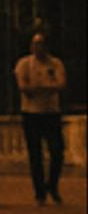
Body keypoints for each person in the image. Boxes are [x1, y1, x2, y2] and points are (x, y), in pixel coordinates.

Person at [14, 25, 68, 204]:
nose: (38, 48)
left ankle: (52, 184)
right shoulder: (24, 64)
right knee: (35, 154)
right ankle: (40, 193)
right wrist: (46, 88)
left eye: (41, 44)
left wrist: (38, 88)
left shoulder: (56, 64)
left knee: (57, 152)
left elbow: (60, 85)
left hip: (51, 113)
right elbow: (24, 88)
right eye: (35, 44)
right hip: (31, 113)